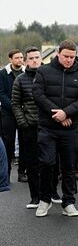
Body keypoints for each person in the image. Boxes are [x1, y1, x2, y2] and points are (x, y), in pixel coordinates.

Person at [33, 40, 78, 217]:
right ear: (58, 54)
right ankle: (45, 199)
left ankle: (69, 202)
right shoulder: (44, 71)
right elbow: (38, 94)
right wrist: (57, 115)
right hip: (48, 127)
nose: (69, 60)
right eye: (66, 56)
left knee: (69, 166)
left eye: (72, 57)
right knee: (46, 163)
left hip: (71, 128)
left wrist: (65, 113)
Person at [11, 47, 42, 209]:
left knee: (50, 162)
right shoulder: (20, 79)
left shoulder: (48, 76)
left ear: (41, 58)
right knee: (31, 163)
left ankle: (50, 194)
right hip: (29, 127)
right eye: (31, 58)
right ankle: (35, 197)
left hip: (48, 127)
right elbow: (15, 103)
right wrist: (23, 123)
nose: (34, 60)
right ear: (25, 61)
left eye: (37, 57)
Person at [0, 49, 26, 183]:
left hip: (24, 113)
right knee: (8, 144)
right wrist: (14, 107)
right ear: (10, 59)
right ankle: (7, 174)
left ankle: (22, 172)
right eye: (17, 58)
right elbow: (1, 93)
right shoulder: (3, 74)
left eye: (21, 57)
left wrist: (23, 108)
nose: (20, 60)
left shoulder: (26, 73)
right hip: (7, 113)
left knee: (24, 142)